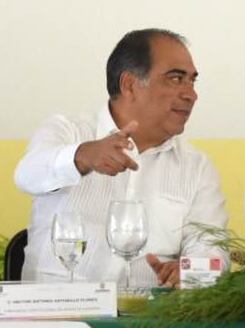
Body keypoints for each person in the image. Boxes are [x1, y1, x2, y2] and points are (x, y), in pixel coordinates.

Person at [15, 29, 228, 286]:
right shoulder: (68, 131)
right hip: (56, 316)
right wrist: (82, 156)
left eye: (192, 81)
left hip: (147, 320)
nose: (190, 94)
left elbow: (214, 250)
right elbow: (27, 175)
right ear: (129, 84)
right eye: (175, 78)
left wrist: (192, 271)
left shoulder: (196, 167)